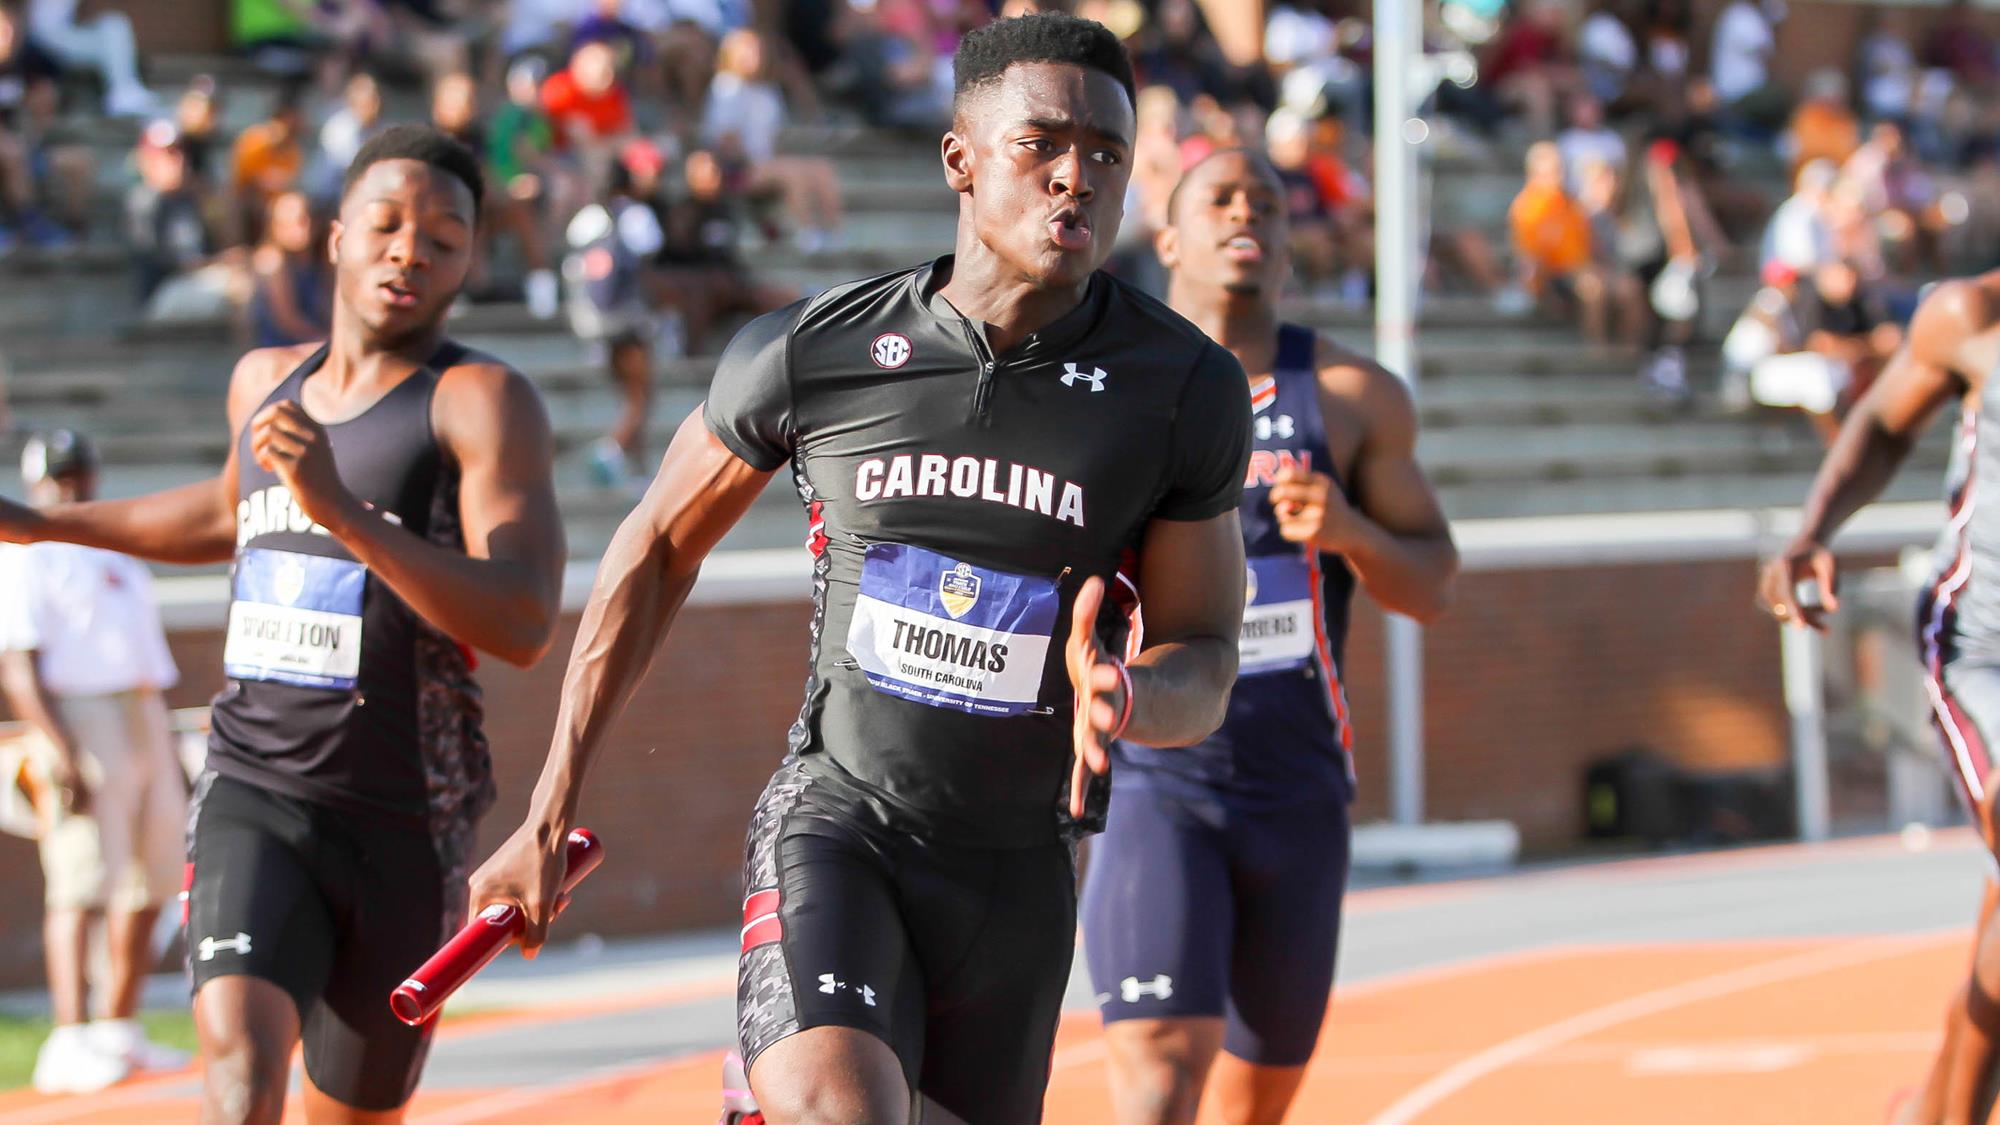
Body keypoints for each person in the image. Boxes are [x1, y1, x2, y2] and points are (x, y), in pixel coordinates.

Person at [469, 14, 1253, 1124]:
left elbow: (1205, 656)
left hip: (1020, 873)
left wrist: (1127, 693)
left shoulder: (1180, 386)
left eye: (1106, 154)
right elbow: (651, 549)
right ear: (958, 159)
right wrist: (547, 812)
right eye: (1040, 144)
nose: (1075, 177)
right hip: (839, 822)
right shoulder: (816, 351)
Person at [0, 124, 566, 1125]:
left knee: (345, 1114)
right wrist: (45, 525)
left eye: (443, 236)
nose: (410, 251)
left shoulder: (477, 401)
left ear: (470, 259)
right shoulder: (263, 382)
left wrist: (342, 509)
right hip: (252, 788)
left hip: (404, 815)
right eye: (387, 226)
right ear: (337, 234)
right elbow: (227, 514)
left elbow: (521, 619)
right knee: (237, 1080)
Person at [1081, 147, 1456, 1125]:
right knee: (1158, 1082)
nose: (1245, 213)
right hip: (1155, 783)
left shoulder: (1349, 397)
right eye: (1219, 199)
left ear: (1290, 244)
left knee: (1251, 1110)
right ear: (1167, 238)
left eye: (1267, 203)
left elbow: (1429, 585)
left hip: (1295, 791)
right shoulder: (1111, 392)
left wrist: (1350, 531)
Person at [1761, 271, 2000, 1125]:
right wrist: (1815, 530)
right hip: (1983, 650)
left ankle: (1937, 1111)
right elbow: (1885, 423)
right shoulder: (1970, 315)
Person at [0, 431, 190, 1094]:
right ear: (37, 482)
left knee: (150, 874)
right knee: (81, 874)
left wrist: (163, 734)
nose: (70, 485)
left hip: (140, 707)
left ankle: (117, 1024)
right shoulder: (26, 553)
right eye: (58, 476)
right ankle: (70, 1032)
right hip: (79, 711)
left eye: (78, 471)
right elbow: (19, 663)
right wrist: (58, 746)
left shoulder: (111, 546)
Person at [562, 152, 664, 488]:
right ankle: (613, 450)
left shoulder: (586, 217)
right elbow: (647, 268)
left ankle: (638, 470)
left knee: (629, 393)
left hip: (591, 321)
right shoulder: (637, 215)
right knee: (642, 395)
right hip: (627, 319)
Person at [248, 189, 331, 349]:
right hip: (282, 349)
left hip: (314, 341)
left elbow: (326, 304)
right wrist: (327, 340)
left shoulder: (315, 257)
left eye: (306, 218)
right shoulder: (272, 261)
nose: (303, 227)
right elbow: (288, 321)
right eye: (293, 221)